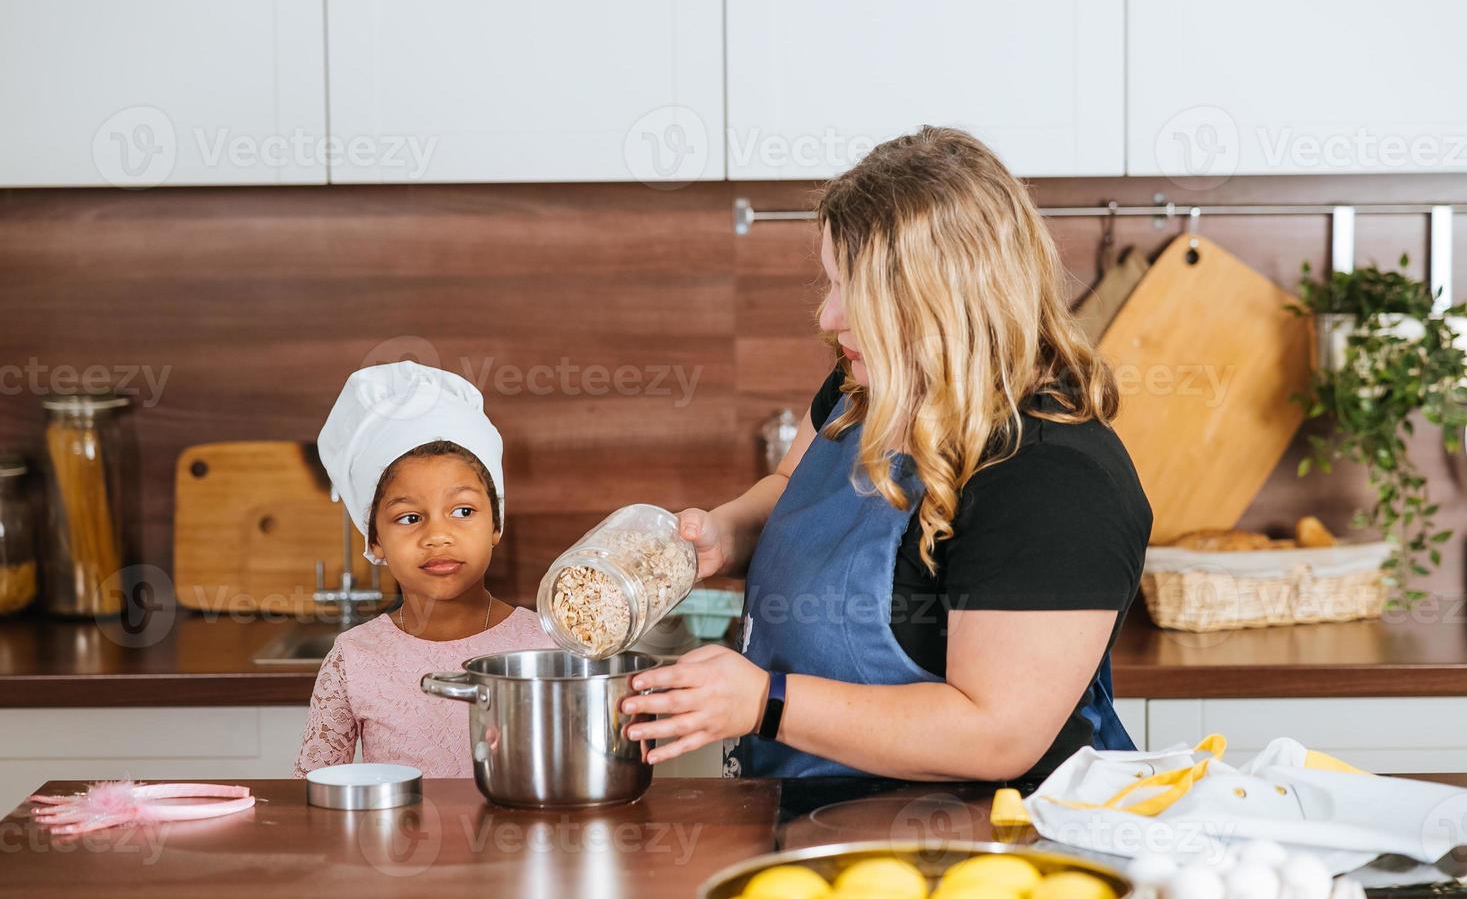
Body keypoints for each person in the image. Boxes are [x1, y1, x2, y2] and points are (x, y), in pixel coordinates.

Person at [621, 126, 1153, 783]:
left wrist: (764, 702)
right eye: (832, 279)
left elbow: (995, 735)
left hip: (978, 848)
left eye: (858, 289)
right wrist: (726, 533)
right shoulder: (864, 389)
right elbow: (795, 490)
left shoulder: (1051, 477)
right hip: (810, 821)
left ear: (949, 296)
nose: (828, 315)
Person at [292, 361, 552, 777]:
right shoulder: (354, 658)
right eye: (410, 518)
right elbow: (314, 792)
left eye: (463, 511)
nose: (438, 536)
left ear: (496, 524)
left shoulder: (548, 645)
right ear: (374, 539)